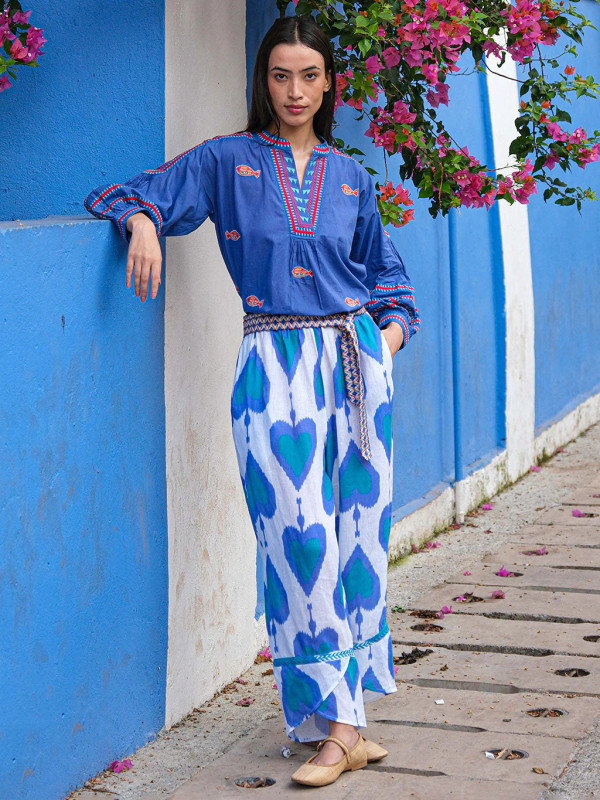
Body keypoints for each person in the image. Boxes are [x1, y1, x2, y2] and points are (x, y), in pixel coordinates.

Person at [83, 14, 420, 788]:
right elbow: (134, 192)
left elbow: (392, 283)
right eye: (279, 75)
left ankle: (341, 724)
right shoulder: (226, 161)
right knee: (298, 542)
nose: (294, 90)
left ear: (329, 82)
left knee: (355, 541)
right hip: (272, 363)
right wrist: (141, 221)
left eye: (308, 75)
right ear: (262, 82)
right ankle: (340, 727)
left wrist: (382, 345)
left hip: (355, 370)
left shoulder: (351, 177)